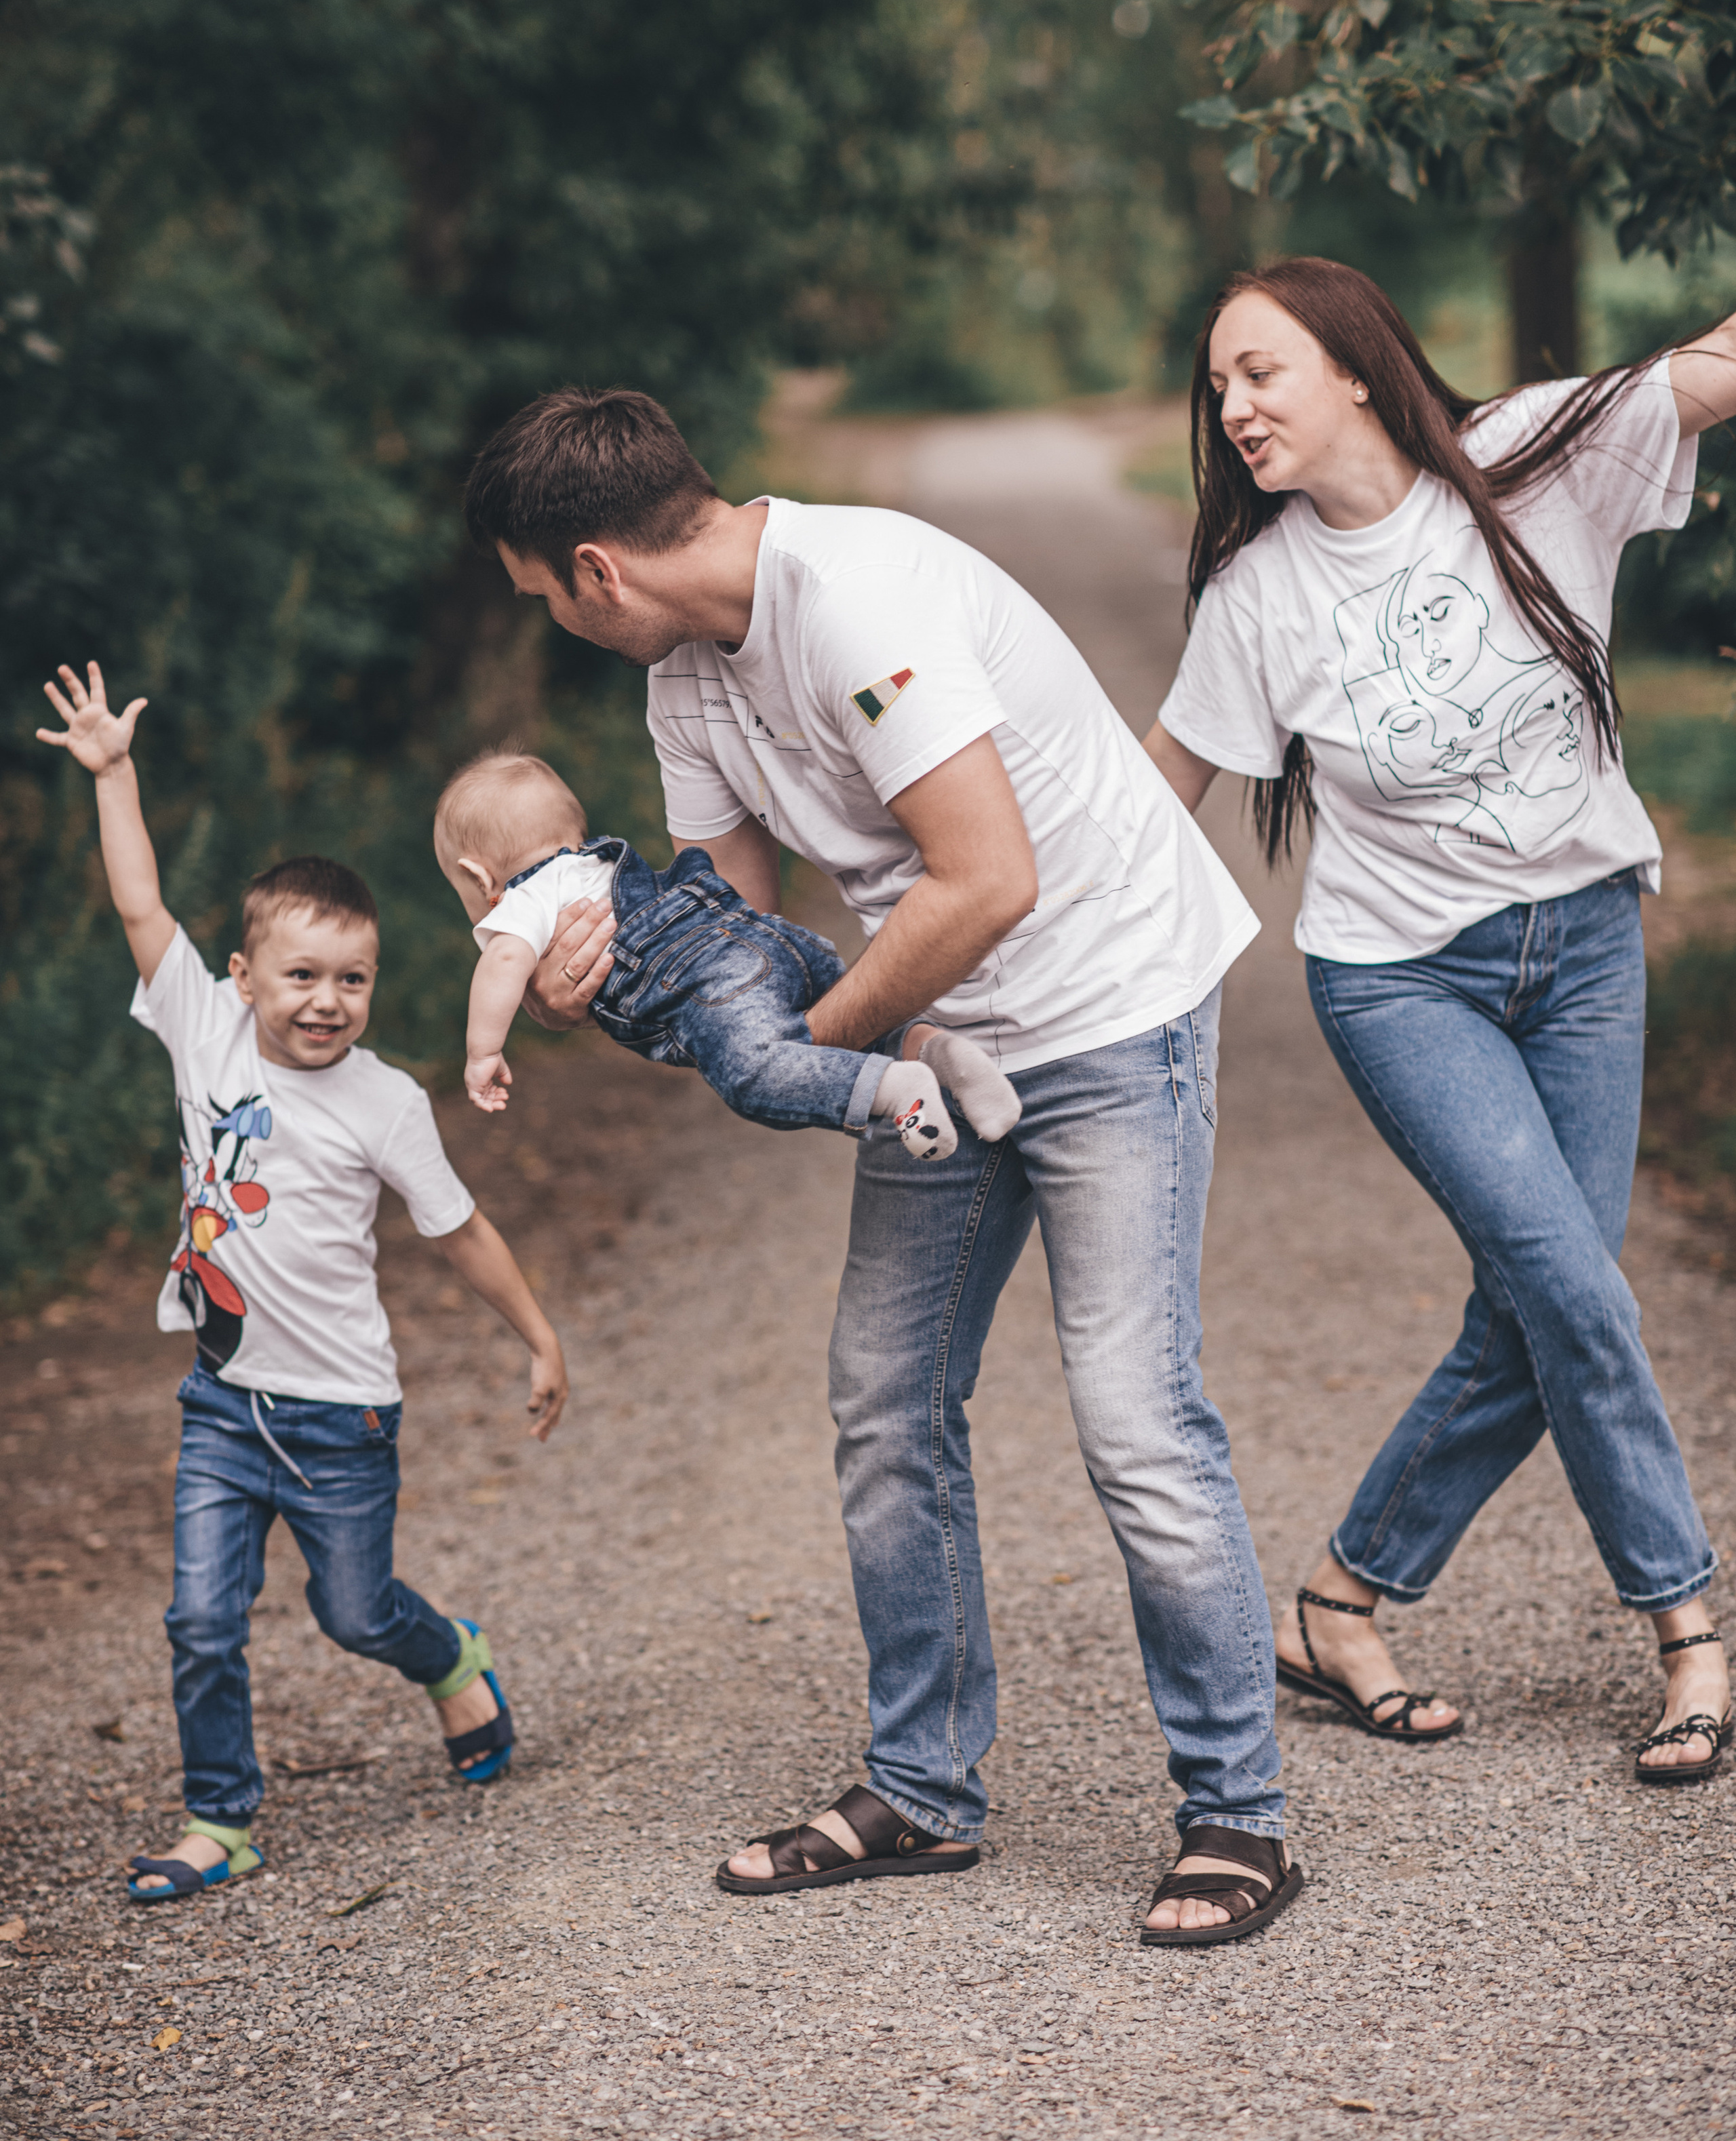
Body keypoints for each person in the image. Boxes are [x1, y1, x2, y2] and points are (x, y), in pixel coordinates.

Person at [460, 385, 1299, 1946]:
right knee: (884, 1400)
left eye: (542, 600)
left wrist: (811, 1055)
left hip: (1109, 1003)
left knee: (1133, 1417)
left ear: (595, 570)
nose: (553, 626)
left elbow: (986, 880)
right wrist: (603, 972)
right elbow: (731, 927)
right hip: (939, 1028)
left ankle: (1236, 1811)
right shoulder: (683, 679)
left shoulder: (856, 598)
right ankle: (922, 1785)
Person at [1146, 256, 1736, 1785]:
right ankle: (1686, 1627)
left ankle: (1340, 1599)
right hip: (1401, 978)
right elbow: (1157, 801)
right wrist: (992, 924)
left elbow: (1712, 366)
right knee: (1572, 1288)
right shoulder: (1260, 592)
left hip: (1588, 949)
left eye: (1259, 371)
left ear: (1353, 363)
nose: (1233, 407)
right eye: (1217, 387)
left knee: (1537, 1303)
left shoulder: (1528, 457)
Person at [36, 662, 569, 1901]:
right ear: (243, 975)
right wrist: (113, 773)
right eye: (303, 974)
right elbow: (139, 902)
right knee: (199, 1619)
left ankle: (451, 1657)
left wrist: (540, 1334)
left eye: (353, 978)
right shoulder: (202, 1028)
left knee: (357, 1612)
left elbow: (459, 1228)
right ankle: (220, 1816)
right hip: (223, 1403)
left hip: (344, 1414)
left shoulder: (386, 1102)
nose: (328, 1000)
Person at [433, 746, 1021, 1158]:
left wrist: (483, 1051)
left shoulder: (523, 899)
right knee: (839, 1021)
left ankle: (899, 1089)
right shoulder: (600, 864)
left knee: (754, 1074)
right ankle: (935, 1050)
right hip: (767, 938)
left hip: (721, 981)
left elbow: (503, 963)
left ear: (478, 876)